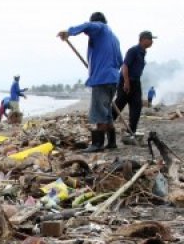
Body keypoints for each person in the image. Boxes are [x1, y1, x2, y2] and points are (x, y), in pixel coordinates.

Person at [58, 12, 122, 152]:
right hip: (112, 78)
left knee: (99, 112)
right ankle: (111, 142)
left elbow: (88, 26)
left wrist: (69, 32)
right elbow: (119, 61)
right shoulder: (114, 38)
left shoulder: (100, 28)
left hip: (102, 79)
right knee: (107, 112)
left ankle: (97, 144)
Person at [113, 31, 155, 138]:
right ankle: (105, 125)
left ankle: (131, 131)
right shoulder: (133, 51)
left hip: (136, 82)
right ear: (143, 39)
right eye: (150, 39)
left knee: (136, 107)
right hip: (126, 81)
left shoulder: (143, 52)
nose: (152, 41)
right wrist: (126, 82)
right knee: (119, 104)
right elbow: (125, 66)